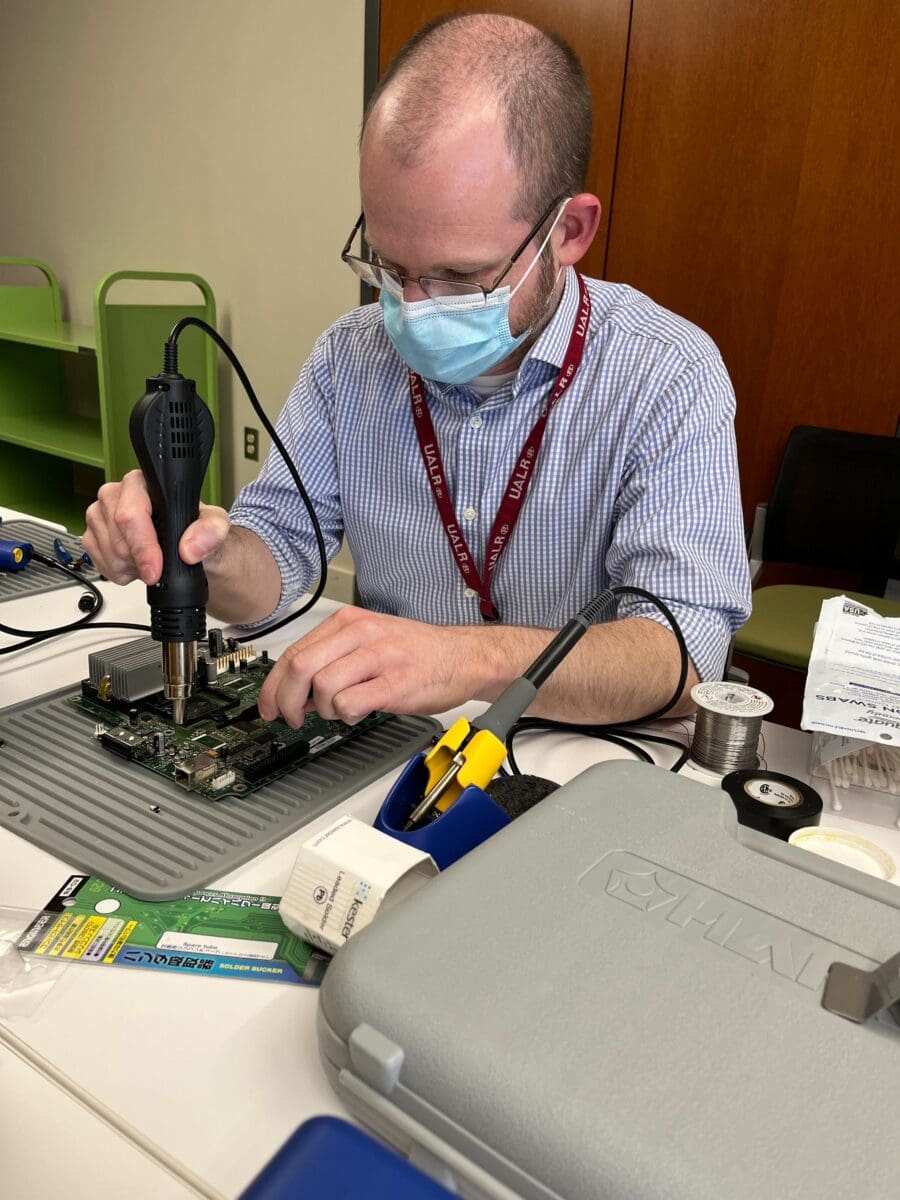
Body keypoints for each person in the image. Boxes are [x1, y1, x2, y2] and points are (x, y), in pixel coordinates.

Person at [84, 12, 750, 730]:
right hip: (391, 747)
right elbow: (277, 561)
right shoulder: (350, 355)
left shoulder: (668, 373)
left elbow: (683, 655)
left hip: (585, 756)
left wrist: (465, 660)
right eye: (390, 267)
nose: (414, 307)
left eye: (458, 275)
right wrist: (203, 553)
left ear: (569, 231)